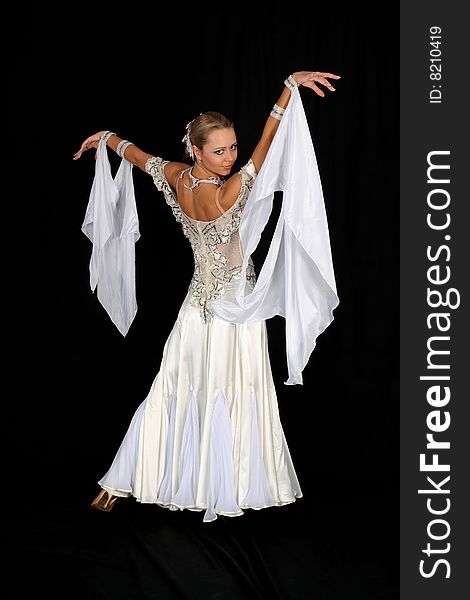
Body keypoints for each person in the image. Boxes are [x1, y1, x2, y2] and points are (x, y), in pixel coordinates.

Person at [73, 70, 341, 522]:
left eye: (232, 147)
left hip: (196, 307)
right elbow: (267, 146)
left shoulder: (177, 177)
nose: (229, 157)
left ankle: (119, 484)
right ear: (194, 149)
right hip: (236, 308)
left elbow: (138, 157)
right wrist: (288, 89)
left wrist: (108, 138)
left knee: (174, 390)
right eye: (218, 151)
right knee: (229, 390)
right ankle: (225, 488)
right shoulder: (229, 192)